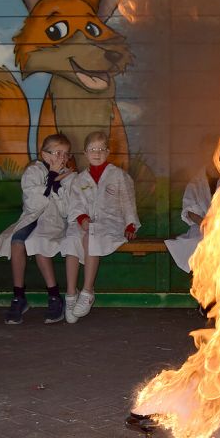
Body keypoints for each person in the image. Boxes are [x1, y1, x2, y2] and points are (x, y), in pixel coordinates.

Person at [0, 133, 77, 325]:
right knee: (17, 242)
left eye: (66, 154)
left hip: (54, 222)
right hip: (31, 219)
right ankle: (18, 297)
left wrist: (57, 187)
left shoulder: (71, 177)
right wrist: (51, 179)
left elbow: (67, 210)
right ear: (44, 154)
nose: (62, 159)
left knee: (39, 244)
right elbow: (33, 204)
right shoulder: (33, 171)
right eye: (57, 153)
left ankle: (54, 296)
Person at [64, 131, 140, 322]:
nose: (96, 153)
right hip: (85, 222)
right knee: (72, 238)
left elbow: (128, 202)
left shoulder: (119, 176)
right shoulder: (79, 179)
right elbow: (76, 204)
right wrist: (81, 218)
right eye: (92, 149)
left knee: (92, 235)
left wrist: (130, 225)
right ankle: (71, 293)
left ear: (108, 152)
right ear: (85, 152)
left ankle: (88, 291)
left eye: (100, 149)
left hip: (111, 224)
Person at [165, 162, 220, 274]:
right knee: (199, 244)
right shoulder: (195, 183)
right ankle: (203, 278)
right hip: (201, 228)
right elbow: (190, 212)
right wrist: (207, 225)